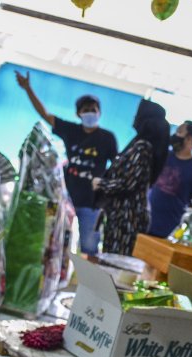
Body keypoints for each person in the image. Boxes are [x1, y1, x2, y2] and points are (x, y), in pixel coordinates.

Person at [14, 72, 117, 257]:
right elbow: (45, 115)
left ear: (100, 112)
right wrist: (28, 88)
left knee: (89, 247)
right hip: (64, 198)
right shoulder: (71, 131)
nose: (90, 113)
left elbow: (117, 165)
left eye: (94, 109)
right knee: (53, 241)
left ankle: (91, 284)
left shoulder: (107, 138)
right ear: (79, 113)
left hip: (91, 203)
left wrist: (105, 186)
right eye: (86, 110)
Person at [95, 99, 170, 256]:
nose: (134, 119)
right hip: (121, 215)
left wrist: (101, 184)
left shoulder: (142, 148)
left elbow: (129, 183)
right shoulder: (140, 145)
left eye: (137, 115)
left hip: (127, 218)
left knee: (116, 263)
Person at [147, 120, 192, 238]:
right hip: (145, 221)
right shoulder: (164, 155)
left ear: (189, 139)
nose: (175, 136)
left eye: (179, 132)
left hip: (167, 231)